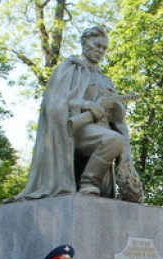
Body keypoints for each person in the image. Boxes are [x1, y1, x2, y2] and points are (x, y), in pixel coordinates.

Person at [11, 26, 142, 203]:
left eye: (104, 48)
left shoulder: (105, 79)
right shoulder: (68, 69)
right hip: (75, 130)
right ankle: (89, 183)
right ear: (84, 42)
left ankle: (93, 186)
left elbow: (116, 118)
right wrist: (87, 105)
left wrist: (116, 110)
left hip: (102, 131)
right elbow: (54, 104)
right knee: (113, 140)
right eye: (97, 45)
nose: (100, 51)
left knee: (115, 139)